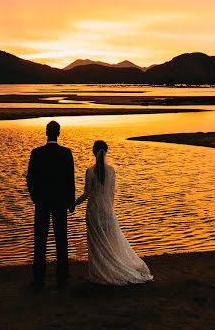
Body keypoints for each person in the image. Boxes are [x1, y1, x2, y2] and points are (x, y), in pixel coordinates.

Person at [73, 140, 153, 285]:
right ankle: (106, 271)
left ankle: (99, 273)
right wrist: (109, 209)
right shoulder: (112, 171)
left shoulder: (90, 171)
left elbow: (87, 193)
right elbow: (111, 194)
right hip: (107, 211)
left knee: (97, 243)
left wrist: (74, 204)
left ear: (93, 151)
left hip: (94, 211)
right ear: (106, 152)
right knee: (109, 241)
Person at [26, 120, 75, 289]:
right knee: (61, 239)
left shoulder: (37, 153)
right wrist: (71, 202)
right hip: (60, 201)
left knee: (40, 239)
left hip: (42, 202)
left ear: (46, 133)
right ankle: (62, 276)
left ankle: (39, 277)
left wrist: (35, 197)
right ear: (58, 133)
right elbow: (70, 179)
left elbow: (30, 178)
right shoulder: (66, 153)